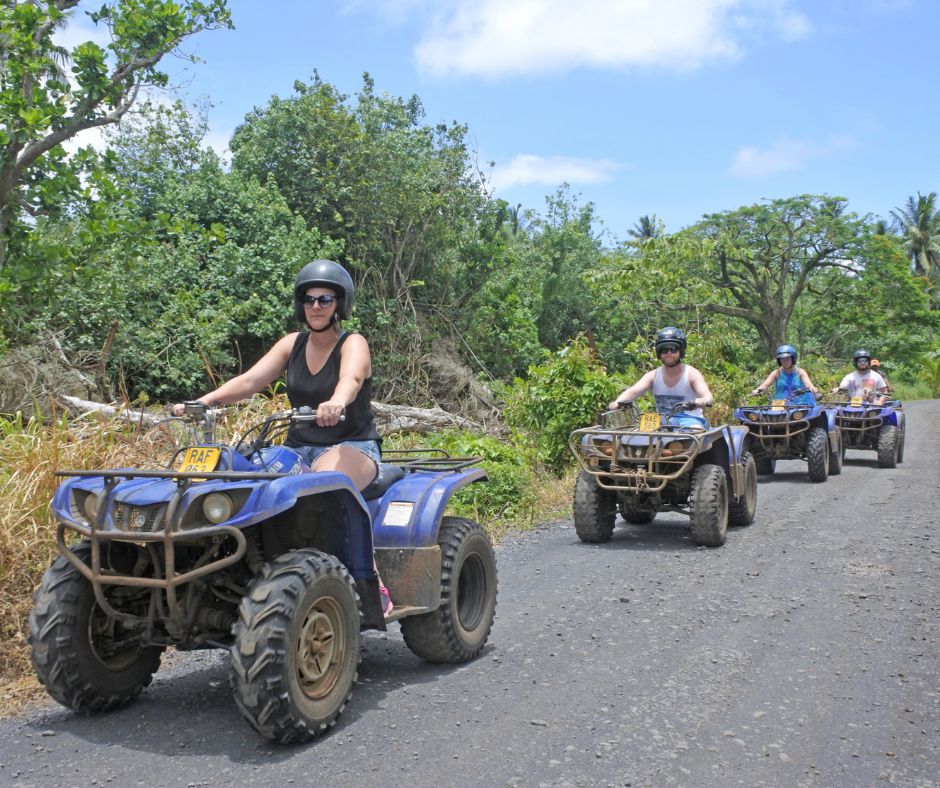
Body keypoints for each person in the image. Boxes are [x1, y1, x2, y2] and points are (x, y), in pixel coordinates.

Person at [172, 259, 393, 615]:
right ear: (300, 305)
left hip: (351, 445)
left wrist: (336, 403)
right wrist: (204, 401)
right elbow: (250, 381)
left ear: (340, 304)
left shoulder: (354, 343)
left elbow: (351, 380)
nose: (316, 307)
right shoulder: (292, 344)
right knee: (239, 474)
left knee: (326, 486)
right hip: (297, 447)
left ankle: (373, 583)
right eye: (309, 300)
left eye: (325, 299)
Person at [608, 327, 713, 428]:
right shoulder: (652, 376)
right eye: (664, 350)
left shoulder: (691, 374)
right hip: (661, 420)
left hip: (689, 419)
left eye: (673, 349)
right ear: (659, 353)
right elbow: (634, 391)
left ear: (681, 351)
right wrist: (617, 402)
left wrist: (703, 400)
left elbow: (707, 396)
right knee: (638, 436)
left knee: (695, 432)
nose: (669, 353)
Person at [749, 344, 819, 404]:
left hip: (800, 405)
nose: (785, 361)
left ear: (793, 359)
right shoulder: (776, 373)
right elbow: (765, 385)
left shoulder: (800, 372)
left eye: (788, 358)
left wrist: (812, 388)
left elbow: (808, 384)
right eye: (782, 359)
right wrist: (757, 390)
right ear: (779, 360)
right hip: (780, 404)